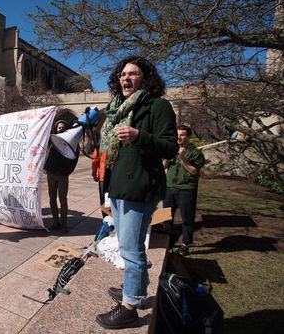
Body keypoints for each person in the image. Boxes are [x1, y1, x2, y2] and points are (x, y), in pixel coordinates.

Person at [95, 56, 178, 330]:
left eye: (133, 74)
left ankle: (129, 308)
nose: (125, 78)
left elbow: (169, 147)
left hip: (140, 187)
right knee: (129, 246)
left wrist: (139, 135)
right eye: (122, 74)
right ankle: (136, 291)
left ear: (146, 78)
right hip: (119, 186)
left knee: (131, 250)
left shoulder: (158, 106)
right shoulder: (116, 109)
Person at [163, 125, 205, 256]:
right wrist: (169, 156)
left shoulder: (195, 152)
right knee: (166, 218)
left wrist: (183, 158)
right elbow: (163, 165)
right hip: (170, 187)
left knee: (187, 219)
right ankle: (167, 242)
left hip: (186, 189)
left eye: (182, 135)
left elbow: (194, 171)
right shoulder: (172, 149)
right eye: (177, 134)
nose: (179, 137)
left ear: (188, 137)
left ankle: (185, 245)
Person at [43, 119, 79, 233]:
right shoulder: (52, 140)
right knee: (52, 199)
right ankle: (55, 221)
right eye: (59, 128)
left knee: (63, 200)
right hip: (51, 174)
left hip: (63, 175)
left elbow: (74, 159)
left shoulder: (71, 143)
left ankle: (64, 224)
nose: (60, 129)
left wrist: (68, 171)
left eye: (63, 128)